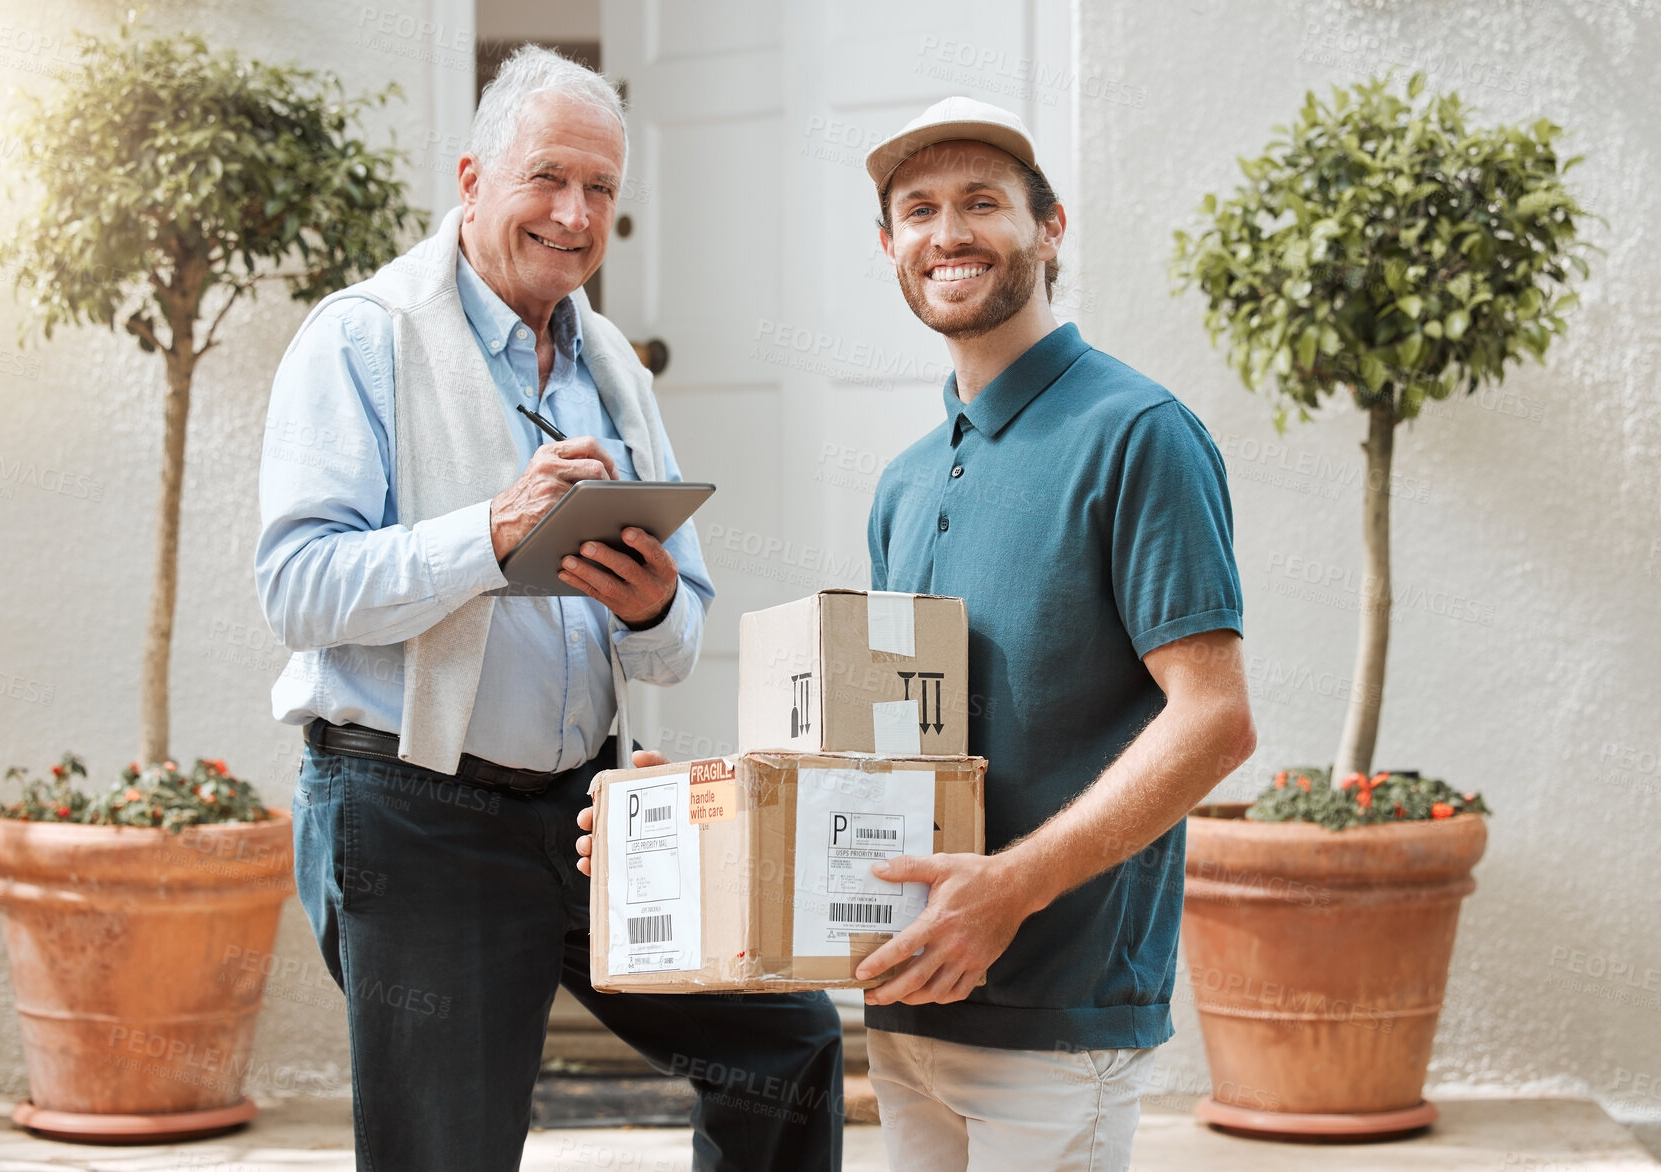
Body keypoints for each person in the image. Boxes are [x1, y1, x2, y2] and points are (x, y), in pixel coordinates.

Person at [255, 44, 842, 1172]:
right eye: (547, 178)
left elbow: (676, 631)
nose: (575, 215)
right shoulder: (360, 337)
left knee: (786, 1041)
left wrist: (652, 603)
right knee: (449, 1151)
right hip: (415, 812)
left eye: (602, 190)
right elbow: (296, 586)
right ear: (473, 178)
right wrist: (488, 534)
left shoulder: (610, 361)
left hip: (589, 814)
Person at [850, 96, 1258, 1171]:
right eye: (919, 210)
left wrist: (1011, 890)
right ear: (888, 245)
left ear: (1051, 228)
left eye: (983, 203)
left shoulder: (1137, 433)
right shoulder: (901, 483)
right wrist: (704, 811)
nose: (949, 234)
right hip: (912, 994)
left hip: (1057, 1009)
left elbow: (1215, 722)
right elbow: (889, 743)